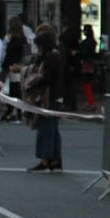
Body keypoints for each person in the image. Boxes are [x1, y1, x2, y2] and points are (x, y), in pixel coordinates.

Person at [26, 24, 64, 172]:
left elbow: (46, 77)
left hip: (49, 96)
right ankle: (55, 159)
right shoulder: (55, 54)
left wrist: (32, 82)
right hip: (55, 95)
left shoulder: (51, 57)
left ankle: (45, 159)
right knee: (52, 128)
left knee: (46, 128)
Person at [79, 24, 98, 111]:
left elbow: (84, 52)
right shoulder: (92, 41)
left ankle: (91, 103)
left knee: (86, 83)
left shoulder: (86, 42)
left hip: (86, 63)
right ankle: (90, 102)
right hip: (91, 63)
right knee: (88, 83)